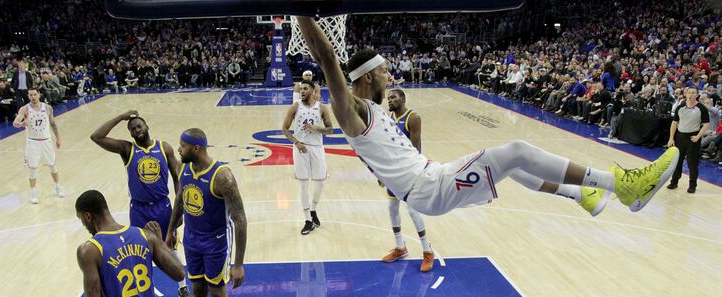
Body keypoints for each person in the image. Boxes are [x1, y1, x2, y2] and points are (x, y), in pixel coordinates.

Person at [295, 18, 679, 217]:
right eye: (384, 71)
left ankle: (583, 196)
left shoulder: (376, 108)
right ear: (366, 78)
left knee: (511, 166)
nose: (390, 75)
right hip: (428, 188)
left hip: (431, 179)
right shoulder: (354, 113)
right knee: (515, 150)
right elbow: (328, 57)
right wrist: (302, 12)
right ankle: (621, 184)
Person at [90, 110, 193, 297]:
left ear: (147, 127)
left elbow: (177, 177)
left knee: (170, 248)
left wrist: (179, 209)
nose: (137, 130)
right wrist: (121, 117)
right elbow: (97, 137)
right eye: (133, 129)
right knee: (140, 251)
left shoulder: (164, 147)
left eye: (139, 126)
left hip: (163, 207)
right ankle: (145, 290)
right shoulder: (127, 149)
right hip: (139, 209)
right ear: (130, 133)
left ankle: (183, 289)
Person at [165, 128, 247, 297]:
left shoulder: (222, 177)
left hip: (216, 242)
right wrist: (171, 230)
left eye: (182, 146)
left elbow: (240, 218)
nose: (178, 150)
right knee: (198, 290)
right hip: (192, 239)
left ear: (196, 148)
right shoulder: (185, 169)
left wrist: (239, 263)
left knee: (217, 292)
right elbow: (180, 198)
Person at [382, 89, 434, 272]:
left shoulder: (413, 117)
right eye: (388, 98)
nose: (389, 100)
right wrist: (384, 172)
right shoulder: (389, 117)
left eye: (393, 97)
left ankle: (427, 251)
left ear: (402, 99)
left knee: (413, 211)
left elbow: (415, 149)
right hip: (394, 171)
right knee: (392, 208)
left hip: (409, 171)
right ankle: (400, 247)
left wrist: (409, 172)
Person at [282, 79, 333, 235]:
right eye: (300, 89)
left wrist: (316, 128)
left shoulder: (322, 108)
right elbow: (284, 129)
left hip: (317, 148)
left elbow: (330, 129)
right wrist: (296, 142)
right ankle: (307, 220)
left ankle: (313, 210)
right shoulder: (295, 107)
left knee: (320, 183)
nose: (302, 91)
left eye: (305, 88)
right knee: (303, 184)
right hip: (300, 148)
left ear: (312, 90)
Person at [12, 88, 64, 204]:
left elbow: (53, 124)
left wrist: (58, 138)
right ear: (28, 96)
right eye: (31, 95)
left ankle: (57, 186)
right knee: (33, 169)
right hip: (32, 142)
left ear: (39, 95)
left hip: (46, 141)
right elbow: (15, 122)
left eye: (35, 94)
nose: (33, 97)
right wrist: (21, 124)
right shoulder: (24, 109)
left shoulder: (47, 108)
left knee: (53, 166)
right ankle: (33, 193)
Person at [667, 86, 709, 193]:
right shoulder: (680, 107)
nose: (690, 95)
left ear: (697, 95)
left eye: (693, 93)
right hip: (680, 137)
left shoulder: (701, 108)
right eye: (689, 92)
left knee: (692, 163)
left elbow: (706, 124)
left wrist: (698, 136)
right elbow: (674, 123)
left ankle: (692, 185)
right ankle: (674, 182)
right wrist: (671, 138)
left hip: (693, 138)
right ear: (685, 94)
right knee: (677, 161)